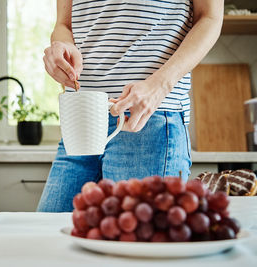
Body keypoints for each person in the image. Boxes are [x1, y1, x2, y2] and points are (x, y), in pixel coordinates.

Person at [37, 0, 223, 212]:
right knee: (50, 236)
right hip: (82, 119)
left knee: (137, 238)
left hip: (147, 118)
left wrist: (159, 86)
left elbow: (210, 17)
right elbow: (64, 24)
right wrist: (63, 47)